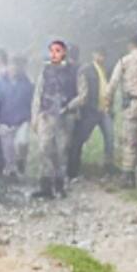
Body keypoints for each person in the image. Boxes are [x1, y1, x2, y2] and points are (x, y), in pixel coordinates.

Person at [32, 39, 77, 199]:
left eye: (57, 50)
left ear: (64, 52)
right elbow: (38, 93)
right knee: (44, 149)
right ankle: (44, 185)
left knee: (61, 151)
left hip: (65, 117)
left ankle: (59, 184)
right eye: (51, 51)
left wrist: (69, 108)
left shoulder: (73, 71)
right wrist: (35, 116)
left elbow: (81, 93)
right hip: (46, 115)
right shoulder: (45, 71)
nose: (54, 54)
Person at [109, 36, 137, 185]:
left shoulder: (124, 61)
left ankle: (128, 175)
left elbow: (113, 83)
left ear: (131, 45)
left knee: (130, 141)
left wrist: (108, 104)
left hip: (131, 105)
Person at [69, 47, 114, 179]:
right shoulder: (86, 70)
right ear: (93, 54)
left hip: (104, 110)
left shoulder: (105, 70)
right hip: (90, 111)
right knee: (80, 139)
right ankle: (73, 169)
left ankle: (108, 167)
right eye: (99, 54)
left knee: (110, 139)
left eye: (103, 55)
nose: (101, 58)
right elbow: (82, 91)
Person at [0, 59, 33, 178]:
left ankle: (21, 162)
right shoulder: (0, 83)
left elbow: (31, 101)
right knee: (8, 148)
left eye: (16, 67)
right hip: (5, 120)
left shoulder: (26, 83)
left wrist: (31, 116)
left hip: (22, 119)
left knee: (22, 142)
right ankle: (11, 170)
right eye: (11, 66)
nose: (14, 69)